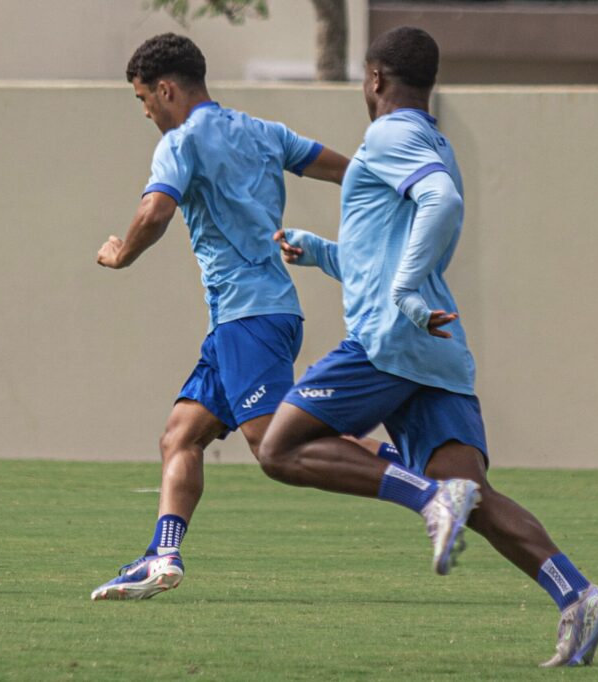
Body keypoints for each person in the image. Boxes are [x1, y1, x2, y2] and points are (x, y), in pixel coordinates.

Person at [258, 27, 598, 668]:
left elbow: (439, 205)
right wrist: (321, 253)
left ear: (375, 78)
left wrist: (401, 290)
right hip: (433, 344)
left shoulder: (388, 134)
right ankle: (579, 596)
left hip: (390, 341)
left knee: (278, 447)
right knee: (472, 494)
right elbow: (393, 250)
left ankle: (426, 497)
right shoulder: (435, 142)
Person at [90, 33, 391, 602]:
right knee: (181, 435)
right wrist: (393, 201)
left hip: (248, 320)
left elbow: (155, 211)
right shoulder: (263, 131)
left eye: (143, 99)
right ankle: (162, 555)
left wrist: (120, 254)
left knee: (276, 445)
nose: (146, 111)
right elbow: (345, 171)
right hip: (253, 319)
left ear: (166, 89)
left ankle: (423, 481)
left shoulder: (180, 142)